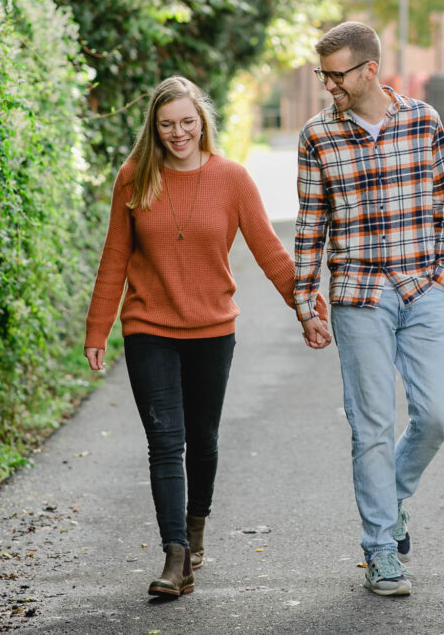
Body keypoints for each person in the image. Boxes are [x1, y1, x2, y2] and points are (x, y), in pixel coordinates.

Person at [84, 75, 329, 599]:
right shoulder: (134, 178)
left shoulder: (232, 179)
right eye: (167, 124)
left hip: (212, 330)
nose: (178, 133)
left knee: (204, 439)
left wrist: (306, 306)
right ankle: (176, 556)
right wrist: (97, 328)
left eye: (187, 123)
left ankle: (195, 528)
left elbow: (270, 252)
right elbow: (114, 257)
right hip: (149, 327)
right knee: (164, 443)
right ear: (154, 127)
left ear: (203, 123)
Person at [294, 22, 444, 597]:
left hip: (421, 288)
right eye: (324, 74)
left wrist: (442, 278)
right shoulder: (317, 135)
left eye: (336, 74)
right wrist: (304, 300)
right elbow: (310, 224)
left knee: (438, 411)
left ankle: (390, 503)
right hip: (358, 297)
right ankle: (381, 549)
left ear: (370, 70)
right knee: (370, 426)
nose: (329, 86)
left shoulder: (423, 121)